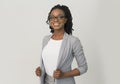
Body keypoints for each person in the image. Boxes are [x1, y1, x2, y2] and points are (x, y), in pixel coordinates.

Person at [35, 4, 88, 84]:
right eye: (52, 17)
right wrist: (40, 70)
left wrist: (64, 74)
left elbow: (83, 67)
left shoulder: (73, 41)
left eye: (60, 17)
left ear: (65, 19)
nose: (56, 20)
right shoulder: (45, 39)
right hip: (46, 81)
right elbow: (47, 63)